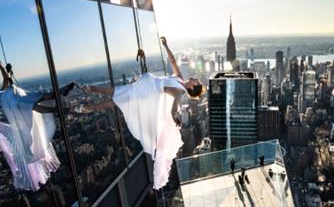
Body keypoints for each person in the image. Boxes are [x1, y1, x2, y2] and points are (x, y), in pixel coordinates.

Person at [74, 37, 206, 189]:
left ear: (193, 87)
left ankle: (89, 99)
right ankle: (89, 100)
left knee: (120, 95)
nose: (196, 79)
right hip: (147, 87)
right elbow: (173, 62)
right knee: (120, 96)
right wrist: (166, 45)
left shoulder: (180, 91)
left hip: (147, 93)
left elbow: (174, 102)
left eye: (197, 82)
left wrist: (173, 113)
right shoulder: (180, 80)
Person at [0, 62, 74, 191]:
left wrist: (3, 68)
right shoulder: (2, 95)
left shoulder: (2, 92)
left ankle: (58, 104)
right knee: (33, 102)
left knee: (33, 102)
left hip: (14, 98)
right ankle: (58, 98)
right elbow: (6, 79)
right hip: (13, 103)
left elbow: (6, 79)